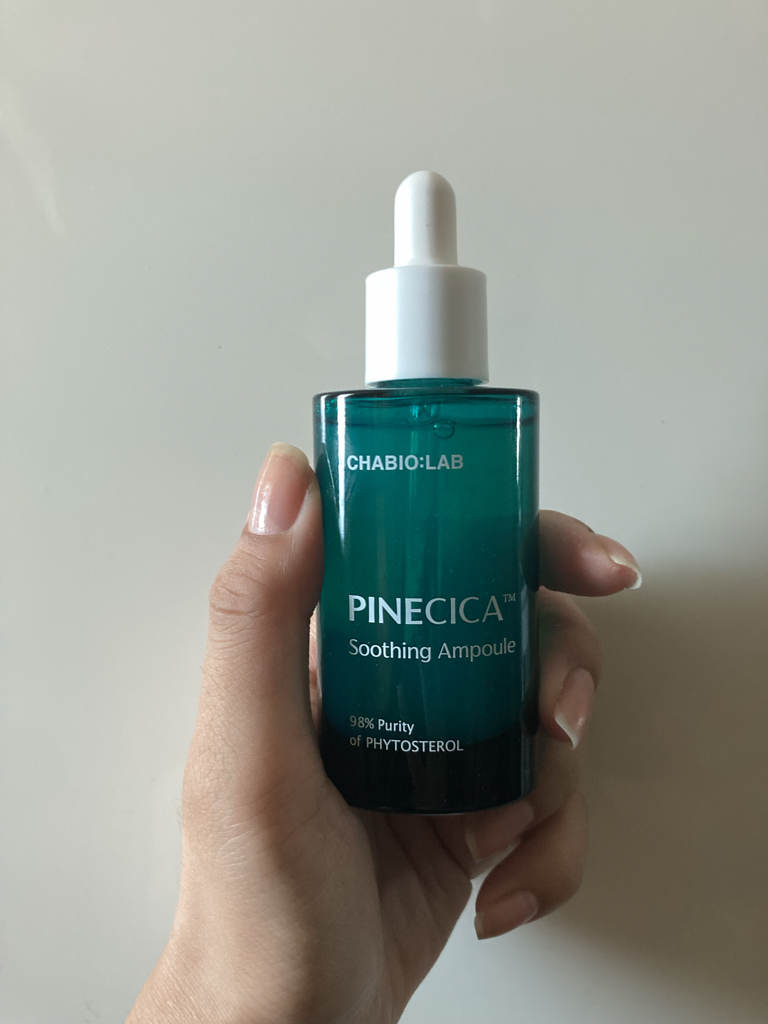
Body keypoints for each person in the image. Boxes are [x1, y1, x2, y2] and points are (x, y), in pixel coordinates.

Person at [126, 442, 641, 1024]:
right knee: (465, 592)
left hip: (395, 862)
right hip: (362, 790)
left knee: (484, 592)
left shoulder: (486, 420)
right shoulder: (369, 428)